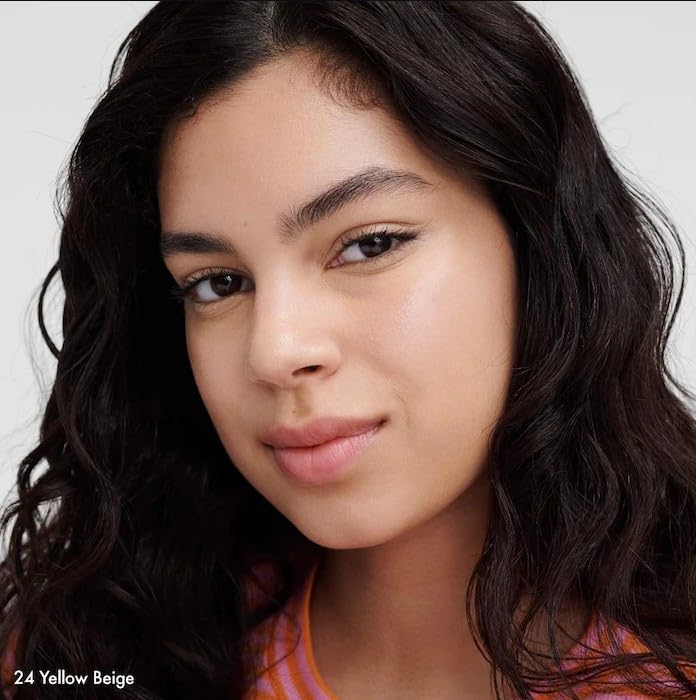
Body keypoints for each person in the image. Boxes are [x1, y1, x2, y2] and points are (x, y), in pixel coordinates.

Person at [1, 1, 695, 698]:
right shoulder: (76, 657)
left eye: (369, 245)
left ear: (537, 243)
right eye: (217, 283)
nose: (274, 351)